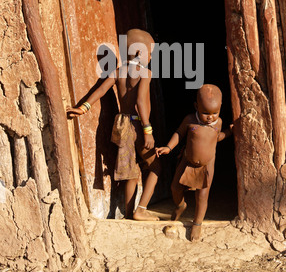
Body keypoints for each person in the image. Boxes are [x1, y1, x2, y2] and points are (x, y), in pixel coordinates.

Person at [67, 29, 161, 221]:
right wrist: (148, 130)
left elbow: (100, 90)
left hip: (121, 125)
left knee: (132, 173)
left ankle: (128, 214)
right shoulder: (145, 73)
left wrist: (82, 108)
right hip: (137, 125)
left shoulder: (118, 72)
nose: (151, 57)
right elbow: (141, 103)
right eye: (150, 53)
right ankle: (140, 209)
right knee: (155, 167)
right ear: (138, 53)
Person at [156, 84, 233, 241]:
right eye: (205, 113)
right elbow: (179, 133)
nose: (210, 117)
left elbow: (216, 138)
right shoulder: (190, 120)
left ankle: (197, 223)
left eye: (215, 113)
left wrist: (229, 132)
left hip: (207, 165)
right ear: (196, 106)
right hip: (187, 161)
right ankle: (180, 205)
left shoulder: (218, 123)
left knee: (202, 195)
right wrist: (169, 147)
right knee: (175, 187)